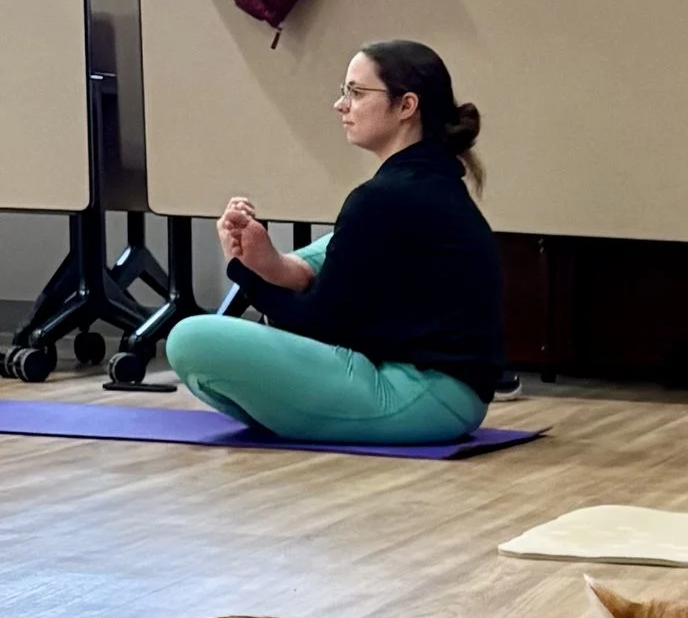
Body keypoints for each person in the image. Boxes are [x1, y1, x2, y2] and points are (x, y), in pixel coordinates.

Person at [166, 41, 504, 445]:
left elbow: (317, 326)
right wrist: (271, 265)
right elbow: (341, 258)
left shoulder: (385, 198)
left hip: (422, 397)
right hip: (452, 400)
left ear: (406, 106)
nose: (340, 105)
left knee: (190, 339)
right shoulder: (427, 183)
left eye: (356, 93)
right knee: (334, 244)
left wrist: (241, 268)